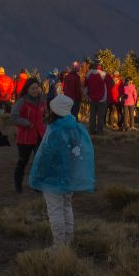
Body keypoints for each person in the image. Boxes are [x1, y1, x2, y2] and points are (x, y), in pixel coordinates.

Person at [28, 95, 96, 249]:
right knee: (66, 206)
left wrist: (39, 174)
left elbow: (46, 154)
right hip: (69, 175)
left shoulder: (55, 130)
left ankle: (59, 245)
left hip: (53, 176)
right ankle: (68, 241)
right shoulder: (75, 126)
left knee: (55, 210)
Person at [11, 78, 47, 193]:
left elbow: (44, 113)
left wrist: (46, 115)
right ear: (27, 89)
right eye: (32, 88)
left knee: (40, 161)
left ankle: (37, 186)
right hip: (25, 137)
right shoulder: (22, 102)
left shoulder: (42, 100)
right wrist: (27, 123)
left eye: (37, 88)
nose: (35, 90)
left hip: (39, 135)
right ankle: (18, 183)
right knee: (23, 161)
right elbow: (14, 117)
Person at [84, 62, 108, 135]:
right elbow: (112, 83)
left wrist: (87, 95)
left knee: (92, 116)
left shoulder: (88, 75)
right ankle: (99, 131)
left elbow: (85, 86)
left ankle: (92, 131)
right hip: (102, 98)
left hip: (92, 98)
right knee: (100, 116)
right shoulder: (104, 74)